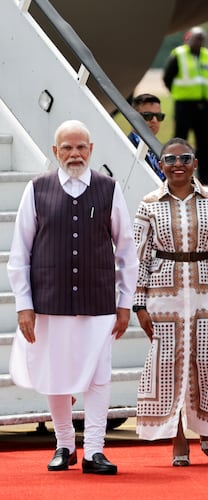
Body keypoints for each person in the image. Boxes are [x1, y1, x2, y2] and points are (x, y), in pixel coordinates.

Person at [7, 119, 138, 474]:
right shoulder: (37, 189)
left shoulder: (109, 189)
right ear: (55, 151)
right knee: (55, 374)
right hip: (50, 302)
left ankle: (95, 449)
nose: (75, 153)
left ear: (91, 149)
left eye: (81, 146)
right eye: (67, 147)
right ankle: (64, 444)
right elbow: (20, 252)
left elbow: (126, 250)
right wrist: (24, 305)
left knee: (99, 376)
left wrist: (125, 302)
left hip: (98, 302)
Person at [133, 137, 208, 467]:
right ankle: (178, 438)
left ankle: (206, 419)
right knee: (167, 366)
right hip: (163, 296)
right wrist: (138, 304)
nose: (178, 164)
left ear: (195, 163)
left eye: (185, 158)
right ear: (161, 166)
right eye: (170, 159)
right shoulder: (148, 204)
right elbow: (138, 258)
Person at [162, 26, 208, 184]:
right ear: (188, 39)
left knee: (205, 141)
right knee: (180, 140)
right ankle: (175, 174)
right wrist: (177, 93)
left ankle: (206, 176)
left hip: (204, 105)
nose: (198, 42)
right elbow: (168, 77)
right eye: (196, 38)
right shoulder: (179, 54)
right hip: (184, 104)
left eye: (201, 38)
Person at [127, 93, 166, 181]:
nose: (154, 120)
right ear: (134, 117)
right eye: (148, 116)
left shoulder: (161, 150)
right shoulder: (127, 147)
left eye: (159, 116)